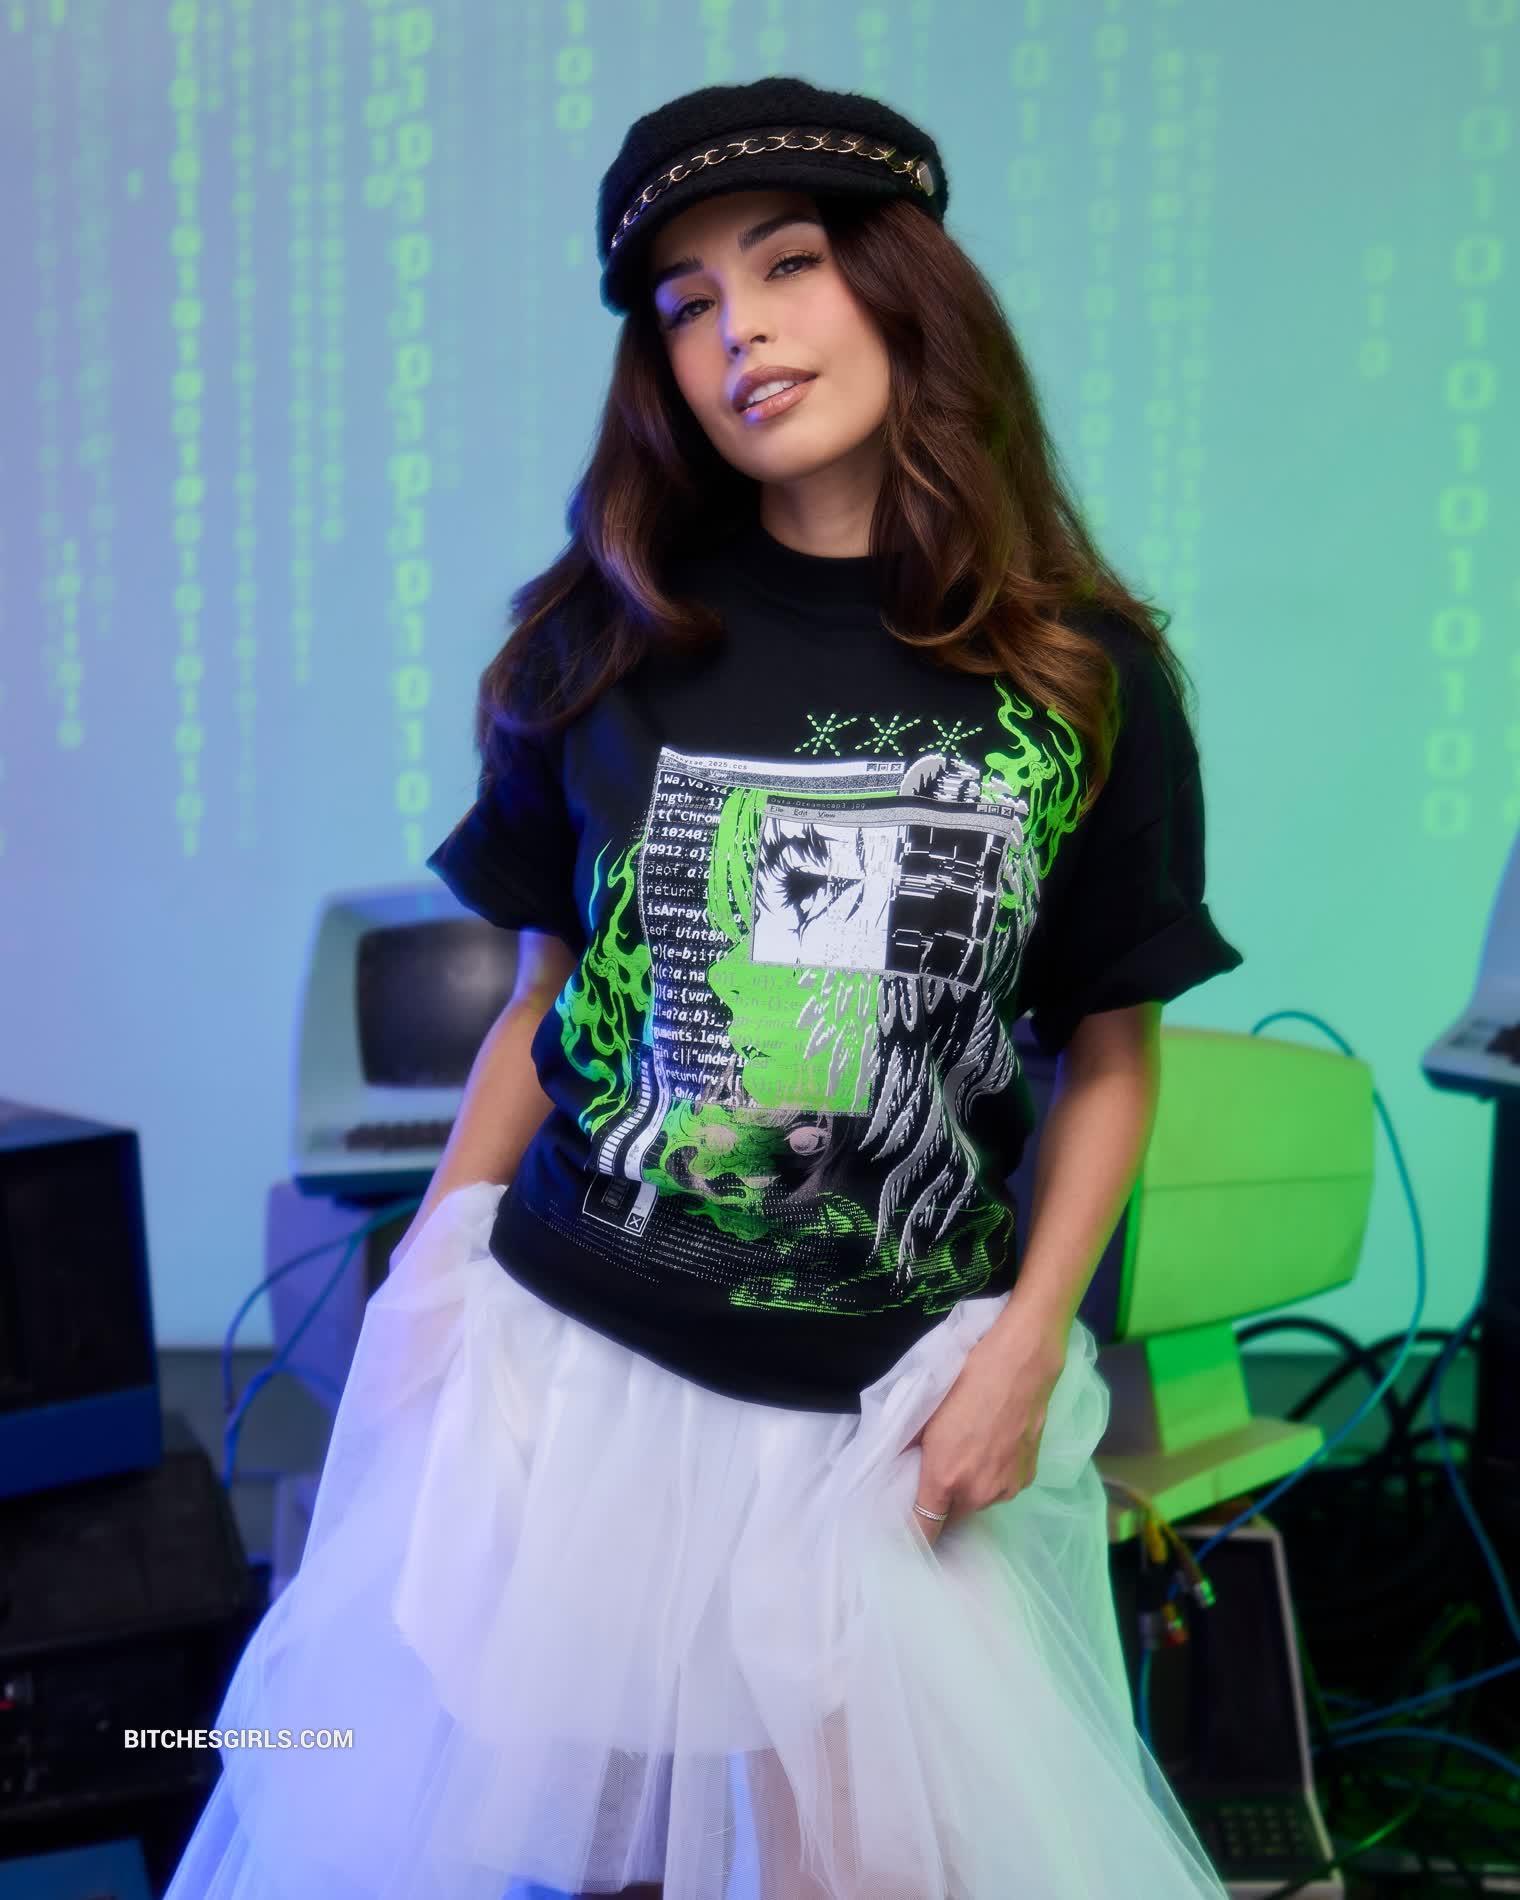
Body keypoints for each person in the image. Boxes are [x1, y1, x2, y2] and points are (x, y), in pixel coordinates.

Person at [165, 76, 1244, 1900]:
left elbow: (1111, 1052)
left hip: (886, 1406)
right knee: (570, 1862)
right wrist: (428, 1286)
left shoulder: (1081, 674)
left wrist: (1026, 1347)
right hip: (580, 1368)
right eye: (684, 302)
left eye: (788, 263)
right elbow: (548, 1003)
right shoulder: (599, 644)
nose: (738, 329)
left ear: (903, 283)